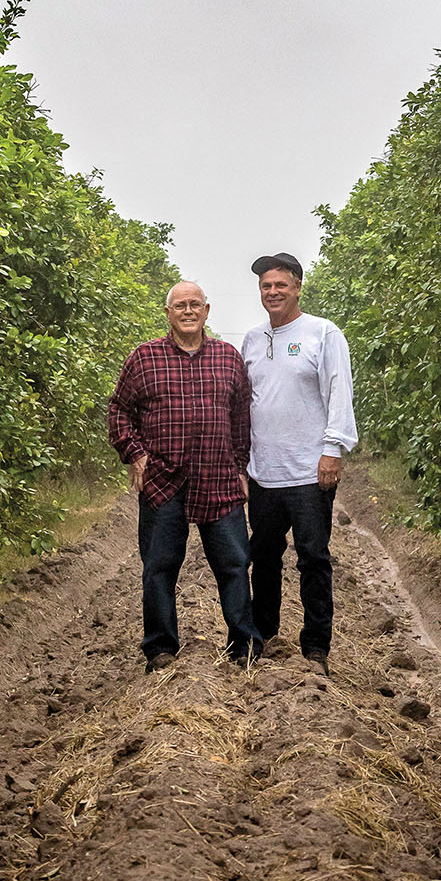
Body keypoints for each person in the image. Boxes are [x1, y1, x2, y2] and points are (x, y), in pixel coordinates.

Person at [108, 280, 261, 672]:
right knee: (159, 566)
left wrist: (241, 464)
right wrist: (135, 454)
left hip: (218, 477)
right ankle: (160, 649)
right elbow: (119, 412)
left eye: (195, 304)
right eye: (180, 305)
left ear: (207, 311)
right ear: (168, 313)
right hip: (162, 480)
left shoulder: (228, 358)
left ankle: (243, 644)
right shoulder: (144, 358)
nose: (188, 311)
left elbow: (242, 416)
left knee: (233, 563)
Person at [240, 252, 357, 672]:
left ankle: (315, 648)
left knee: (313, 557)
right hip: (264, 473)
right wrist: (241, 462)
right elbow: (245, 403)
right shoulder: (253, 340)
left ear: (297, 287)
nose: (273, 292)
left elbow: (339, 393)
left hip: (310, 470)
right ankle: (264, 636)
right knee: (264, 558)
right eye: (266, 286)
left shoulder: (323, 334)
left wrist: (333, 449)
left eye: (281, 285)